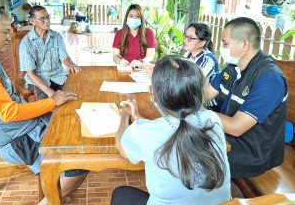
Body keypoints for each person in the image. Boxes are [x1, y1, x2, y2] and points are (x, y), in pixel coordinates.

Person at [0, 9, 88, 204]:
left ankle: (57, 191)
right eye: (4, 32)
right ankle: (49, 200)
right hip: (17, 140)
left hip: (26, 126)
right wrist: (52, 101)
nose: (9, 38)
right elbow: (9, 113)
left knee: (70, 127)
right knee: (80, 158)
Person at [112, 56, 231, 205]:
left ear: (152, 92)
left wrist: (125, 115)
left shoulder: (144, 132)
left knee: (121, 194)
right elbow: (175, 127)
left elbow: (121, 146)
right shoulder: (212, 119)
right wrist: (139, 118)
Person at [204, 17, 287, 179]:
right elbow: (204, 93)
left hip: (254, 152)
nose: (221, 48)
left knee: (192, 154)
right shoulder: (233, 68)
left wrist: (198, 112)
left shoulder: (270, 79)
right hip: (230, 138)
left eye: (225, 43)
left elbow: (236, 127)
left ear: (244, 44)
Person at [19, 5, 81, 100]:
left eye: (47, 17)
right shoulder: (26, 43)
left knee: (74, 94)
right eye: (42, 18)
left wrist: (71, 64)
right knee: (45, 104)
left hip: (58, 76)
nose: (47, 21)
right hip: (38, 81)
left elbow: (65, 58)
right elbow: (31, 74)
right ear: (32, 21)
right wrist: (51, 93)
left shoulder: (56, 36)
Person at [113, 4, 156, 68]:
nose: (134, 19)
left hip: (143, 68)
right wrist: (119, 61)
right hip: (125, 69)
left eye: (137, 16)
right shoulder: (119, 33)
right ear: (126, 18)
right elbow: (115, 55)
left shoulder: (149, 33)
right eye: (131, 16)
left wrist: (140, 62)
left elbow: (150, 56)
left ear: (141, 19)